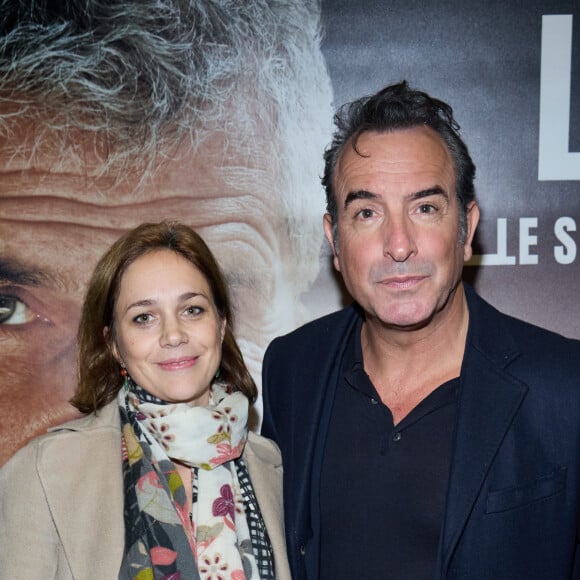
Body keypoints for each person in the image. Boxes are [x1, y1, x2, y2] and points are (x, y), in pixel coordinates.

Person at [261, 81, 580, 579]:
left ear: (466, 228)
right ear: (335, 240)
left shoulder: (565, 388)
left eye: (424, 208)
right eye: (367, 213)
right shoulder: (292, 368)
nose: (399, 244)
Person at [0, 0, 333, 466]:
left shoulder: (293, 499)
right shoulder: (45, 489)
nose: (108, 411)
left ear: (298, 311)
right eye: (6, 310)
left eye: (196, 305)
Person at [0, 221, 291, 579]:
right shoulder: (44, 472)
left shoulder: (270, 466)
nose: (173, 334)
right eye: (144, 318)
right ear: (114, 346)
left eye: (192, 310)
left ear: (222, 324)